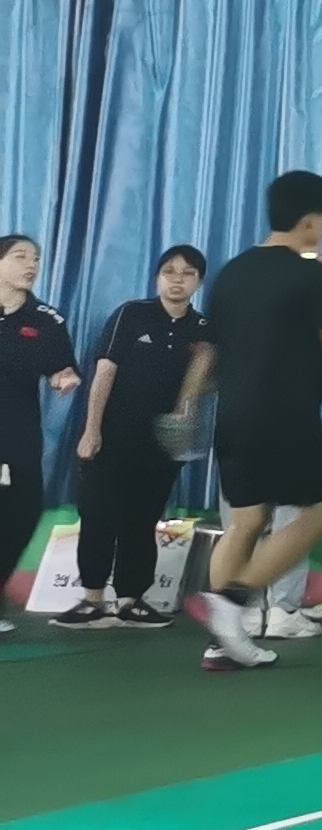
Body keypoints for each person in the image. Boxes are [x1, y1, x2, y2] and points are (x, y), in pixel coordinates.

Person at [176, 175, 322, 672]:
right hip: (285, 415)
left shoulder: (232, 272)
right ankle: (233, 600)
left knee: (245, 523)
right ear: (309, 220)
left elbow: (209, 351)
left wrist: (186, 405)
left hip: (234, 415)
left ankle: (222, 643)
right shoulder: (310, 274)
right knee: (321, 512)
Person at [61, 244, 205, 629]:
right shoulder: (132, 314)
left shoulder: (203, 329)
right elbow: (104, 373)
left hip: (161, 445)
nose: (177, 280)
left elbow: (204, 383)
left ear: (198, 282)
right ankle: (92, 599)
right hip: (111, 438)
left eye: (187, 273)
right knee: (98, 516)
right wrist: (92, 430)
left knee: (142, 521)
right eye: (169, 271)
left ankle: (131, 599)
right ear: (157, 277)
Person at [0, 234, 81, 633]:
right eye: (20, 257)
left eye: (36, 258)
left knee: (22, 513)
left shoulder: (47, 319)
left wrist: (64, 377)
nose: (31, 265)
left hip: (17, 436)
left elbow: (60, 366)